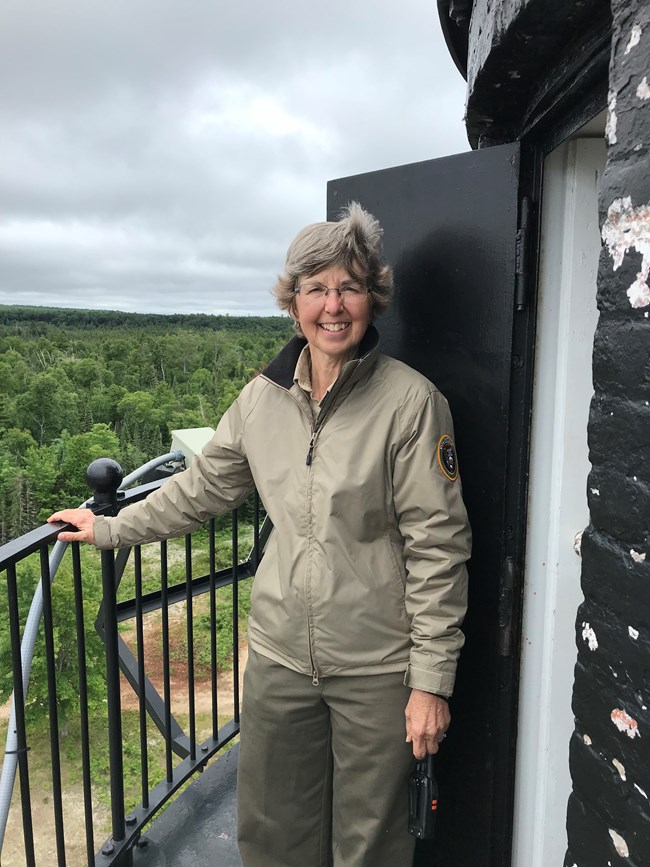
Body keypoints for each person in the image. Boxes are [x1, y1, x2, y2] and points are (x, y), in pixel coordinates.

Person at [49, 202, 471, 867]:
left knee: (371, 841)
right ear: (293, 302)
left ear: (372, 298)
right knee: (273, 829)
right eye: (316, 288)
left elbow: (439, 548)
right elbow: (200, 488)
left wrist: (430, 682)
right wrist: (109, 526)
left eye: (349, 287)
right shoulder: (262, 398)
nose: (333, 305)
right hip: (279, 653)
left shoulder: (411, 404)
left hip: (377, 662)